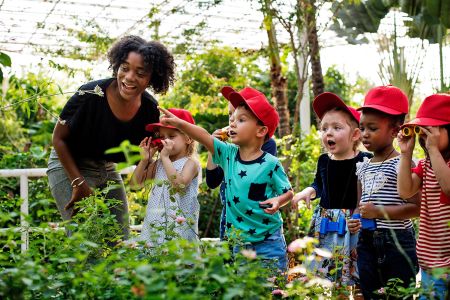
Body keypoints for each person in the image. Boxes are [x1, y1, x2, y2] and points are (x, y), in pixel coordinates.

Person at [47, 35, 175, 239]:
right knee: (85, 239)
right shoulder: (90, 94)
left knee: (120, 238)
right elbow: (58, 139)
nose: (129, 77)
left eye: (140, 72)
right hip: (69, 163)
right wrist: (78, 183)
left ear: (153, 77)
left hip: (105, 166)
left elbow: (147, 159)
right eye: (124, 68)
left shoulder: (150, 109)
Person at [158, 86, 293, 272]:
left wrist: (279, 200)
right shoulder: (228, 154)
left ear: (261, 131)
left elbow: (289, 192)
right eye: (232, 118)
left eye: (241, 119)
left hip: (268, 241)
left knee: (271, 290)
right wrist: (180, 124)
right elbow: (203, 136)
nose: (232, 123)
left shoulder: (271, 163)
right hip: (237, 242)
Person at [292, 92, 372, 286]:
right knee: (321, 275)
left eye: (336, 128)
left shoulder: (365, 160)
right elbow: (319, 185)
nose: (328, 133)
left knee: (353, 276)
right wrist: (307, 192)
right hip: (325, 226)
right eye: (324, 128)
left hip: (353, 226)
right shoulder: (324, 161)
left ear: (355, 135)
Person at [348, 85, 420, 299]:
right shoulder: (363, 166)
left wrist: (378, 211)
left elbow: (416, 208)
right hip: (366, 241)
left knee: (399, 294)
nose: (365, 134)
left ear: (395, 130)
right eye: (362, 127)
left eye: (373, 128)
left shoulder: (402, 164)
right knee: (371, 294)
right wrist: (355, 218)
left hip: (396, 243)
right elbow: (360, 204)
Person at [397, 93, 450, 300]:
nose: (423, 137)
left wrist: (434, 150)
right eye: (421, 131)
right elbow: (405, 191)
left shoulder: (438, 161)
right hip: (429, 263)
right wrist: (405, 154)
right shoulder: (425, 164)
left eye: (431, 130)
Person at [206, 102, 277, 240]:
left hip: (255, 222)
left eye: (240, 118)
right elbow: (212, 181)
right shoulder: (227, 148)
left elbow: (255, 183)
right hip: (230, 218)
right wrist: (212, 148)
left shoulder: (267, 144)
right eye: (230, 114)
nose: (232, 120)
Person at [130, 108, 200, 245]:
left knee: (178, 264)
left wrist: (165, 158)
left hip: (179, 231)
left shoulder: (191, 163)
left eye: (172, 136)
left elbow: (179, 185)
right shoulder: (159, 163)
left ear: (188, 138)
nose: (165, 141)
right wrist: (144, 160)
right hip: (155, 229)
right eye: (162, 137)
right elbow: (135, 184)